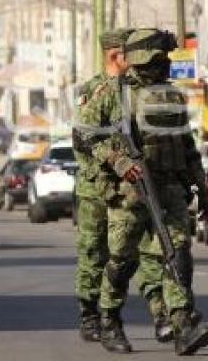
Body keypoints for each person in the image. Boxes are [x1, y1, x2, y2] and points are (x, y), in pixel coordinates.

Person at [78, 29, 208, 355]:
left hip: (168, 188)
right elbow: (85, 132)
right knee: (122, 261)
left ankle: (183, 324)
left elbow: (186, 146)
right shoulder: (113, 93)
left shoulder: (172, 96)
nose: (166, 64)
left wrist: (200, 186)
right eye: (160, 59)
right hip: (129, 191)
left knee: (176, 253)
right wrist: (119, 160)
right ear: (143, 61)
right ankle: (109, 319)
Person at [73, 30, 175, 344]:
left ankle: (162, 316)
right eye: (129, 53)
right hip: (97, 187)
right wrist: (111, 167)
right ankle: (93, 315)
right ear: (117, 56)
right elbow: (83, 138)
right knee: (98, 252)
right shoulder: (96, 91)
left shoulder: (144, 90)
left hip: (136, 187)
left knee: (150, 252)